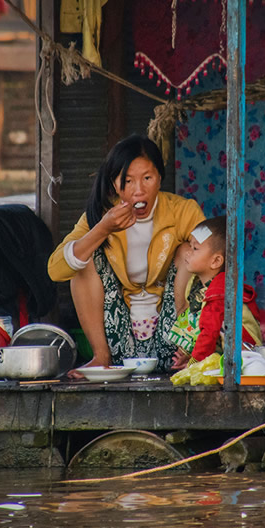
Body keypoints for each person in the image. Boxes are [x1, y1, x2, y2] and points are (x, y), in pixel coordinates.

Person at [47, 135, 203, 373]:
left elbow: (215, 268)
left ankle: (186, 348)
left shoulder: (182, 211)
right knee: (82, 256)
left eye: (147, 178)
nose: (138, 191)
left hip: (173, 342)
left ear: (160, 177)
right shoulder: (100, 214)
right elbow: (56, 270)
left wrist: (195, 342)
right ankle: (100, 357)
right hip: (118, 341)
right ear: (114, 183)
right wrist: (102, 229)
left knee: (189, 252)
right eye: (127, 181)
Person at [169, 215, 261, 370]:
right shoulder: (196, 283)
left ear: (216, 261)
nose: (187, 253)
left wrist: (194, 365)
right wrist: (190, 355)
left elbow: (209, 333)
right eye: (190, 246)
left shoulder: (220, 290)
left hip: (246, 356)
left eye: (195, 249)